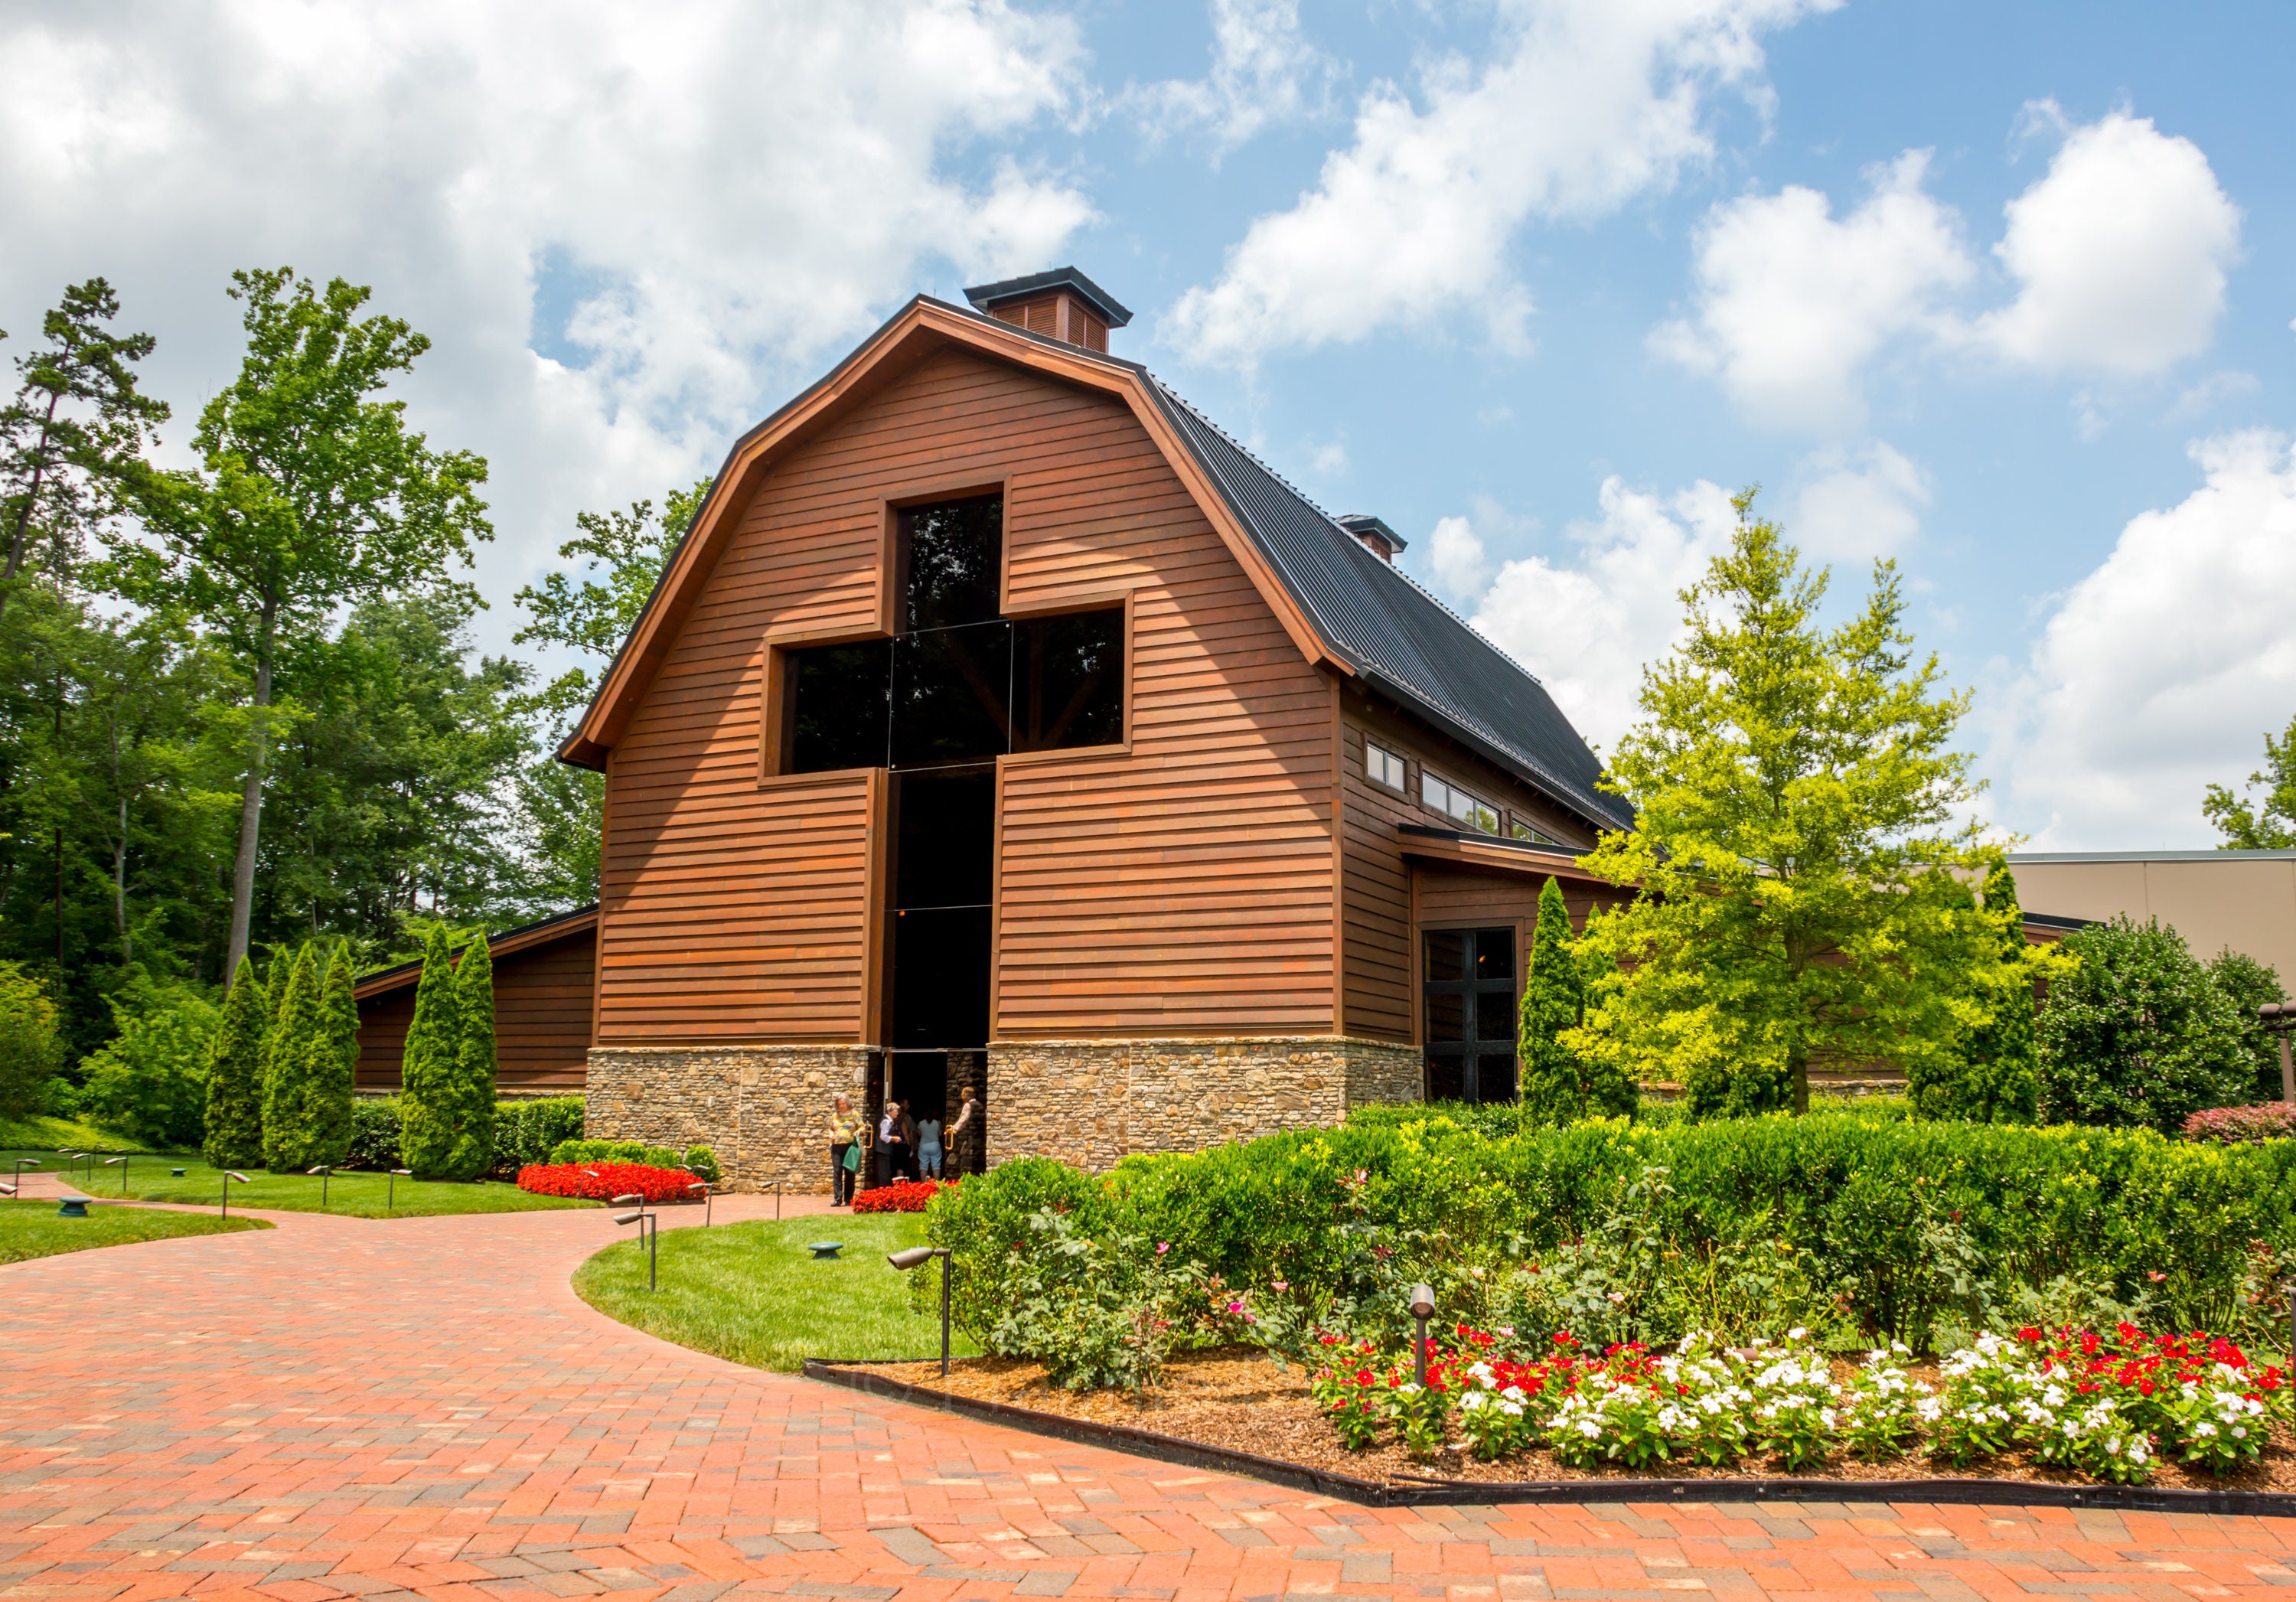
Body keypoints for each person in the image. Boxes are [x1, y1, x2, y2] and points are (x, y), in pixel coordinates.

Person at [827, 1093, 864, 1206]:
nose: (841, 1106)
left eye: (843, 1104)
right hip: (837, 1146)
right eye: (839, 1104)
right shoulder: (834, 1116)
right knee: (837, 1172)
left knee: (849, 1172)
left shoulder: (854, 1114)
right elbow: (830, 1129)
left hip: (849, 1146)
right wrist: (831, 1134)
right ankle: (838, 1198)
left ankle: (849, 1199)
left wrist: (858, 1131)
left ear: (847, 1103)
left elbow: (862, 1126)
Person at [948, 1084, 985, 1176]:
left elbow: (964, 1119)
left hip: (969, 1137)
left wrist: (954, 1128)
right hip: (980, 1138)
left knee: (966, 1159)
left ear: (966, 1095)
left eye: (962, 1094)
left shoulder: (968, 1106)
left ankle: (967, 1177)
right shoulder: (981, 1106)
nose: (961, 1096)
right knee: (978, 1159)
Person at [875, 1099, 907, 1189]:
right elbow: (883, 1136)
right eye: (895, 1111)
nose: (897, 1113)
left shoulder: (891, 1121)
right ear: (889, 1111)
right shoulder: (886, 1122)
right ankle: (883, 1193)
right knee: (884, 1174)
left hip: (886, 1151)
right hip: (883, 1151)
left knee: (886, 1173)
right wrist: (894, 1138)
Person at [915, 1105, 944, 1179]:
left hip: (923, 1146)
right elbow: (940, 1134)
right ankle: (937, 1185)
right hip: (935, 1145)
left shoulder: (921, 1123)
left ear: (925, 1114)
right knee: (936, 1166)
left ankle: (923, 1185)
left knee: (923, 1166)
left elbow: (919, 1134)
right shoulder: (938, 1123)